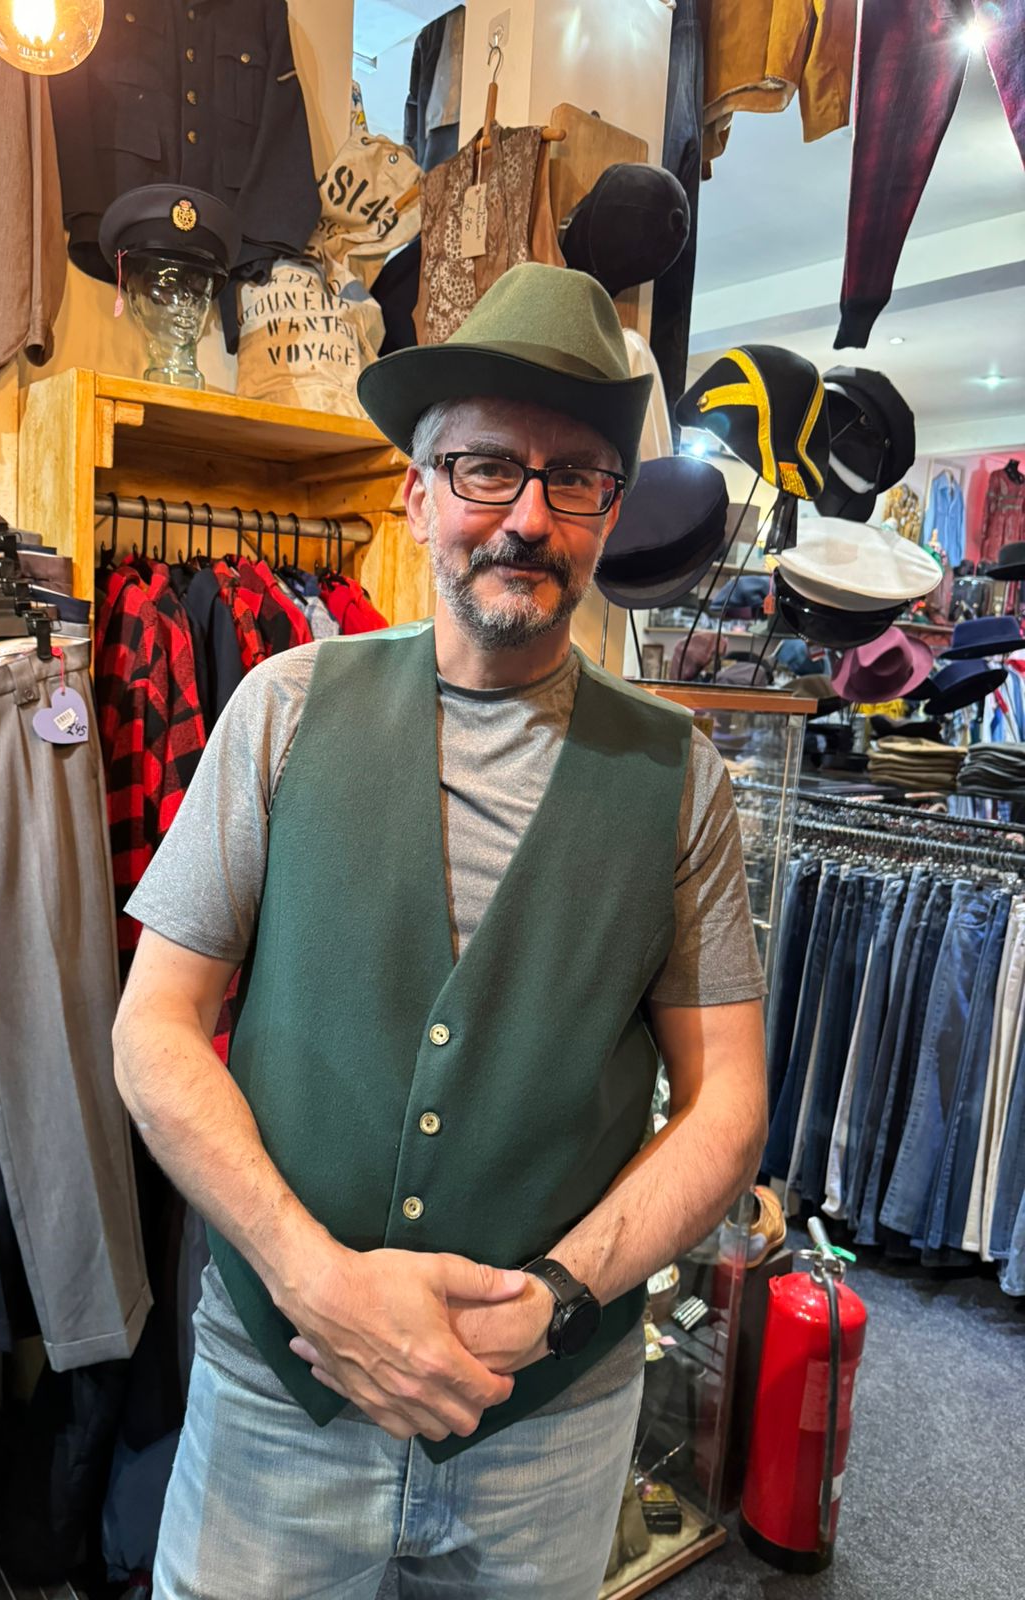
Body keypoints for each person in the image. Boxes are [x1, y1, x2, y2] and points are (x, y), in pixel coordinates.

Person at [114, 262, 768, 1599]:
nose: (526, 517)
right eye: (485, 468)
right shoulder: (283, 708)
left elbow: (727, 1108)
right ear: (417, 496)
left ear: (608, 514)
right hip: (283, 1391)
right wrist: (312, 1280)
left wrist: (561, 1300)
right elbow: (154, 1028)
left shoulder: (678, 777)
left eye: (573, 477)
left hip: (547, 1426)